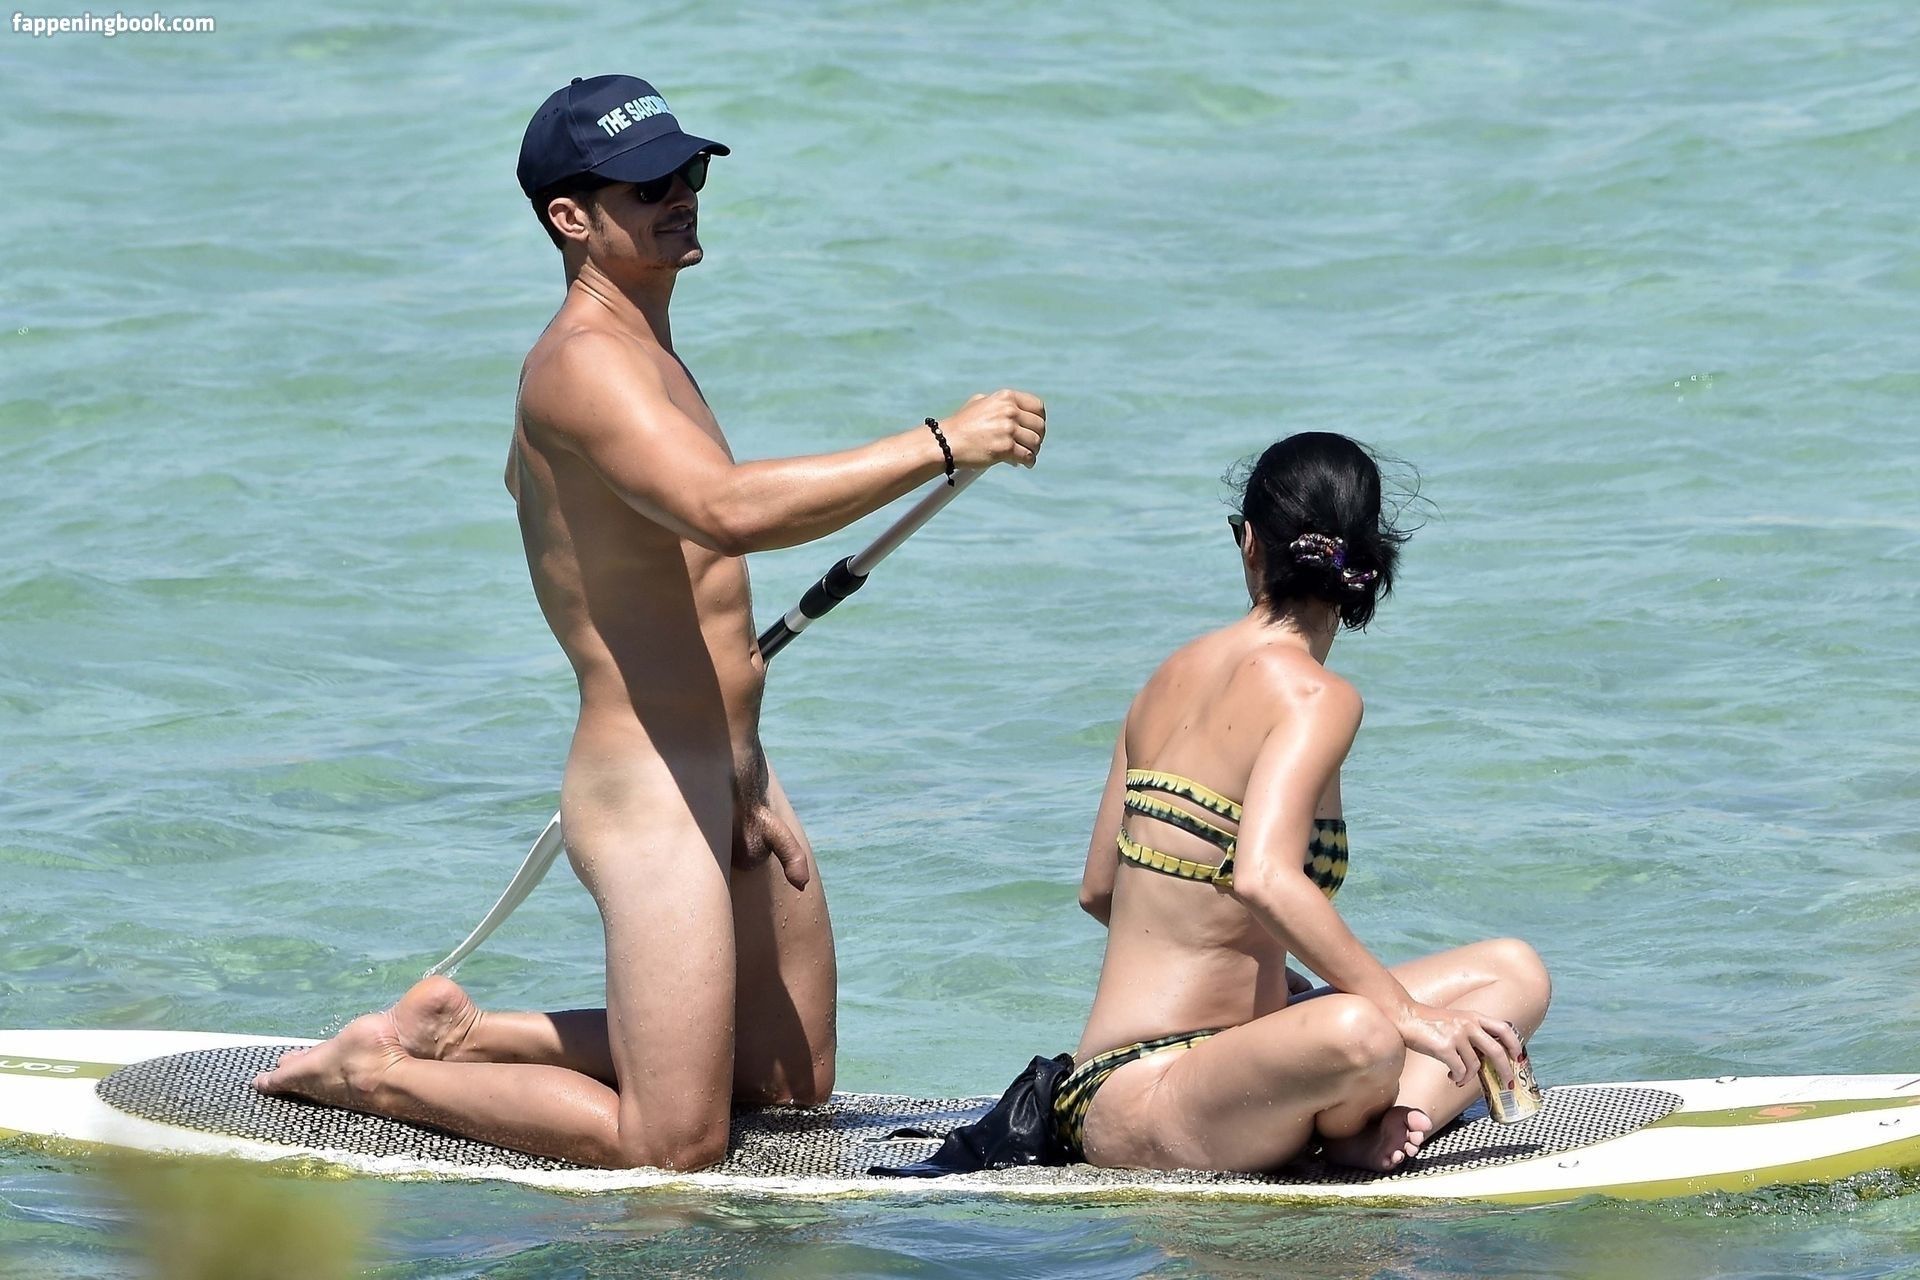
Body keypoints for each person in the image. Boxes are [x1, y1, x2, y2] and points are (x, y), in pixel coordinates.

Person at [254, 74, 1047, 1170]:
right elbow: (725, 509)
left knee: (790, 1086)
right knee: (672, 1144)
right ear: (569, 218)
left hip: (731, 760)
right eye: (646, 186)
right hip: (647, 784)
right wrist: (940, 443)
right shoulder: (582, 364)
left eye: (689, 172)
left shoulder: (648, 349)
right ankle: (378, 1073)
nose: (680, 195)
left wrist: (746, 760)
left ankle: (469, 1036)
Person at [1059, 432, 1548, 1174]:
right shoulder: (1316, 696)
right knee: (1364, 1028)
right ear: (1370, 558)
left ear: (1249, 542)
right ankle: (1362, 1120)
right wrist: (1406, 1012)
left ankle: (1384, 1119)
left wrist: (1244, 960)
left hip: (1173, 1072)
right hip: (1150, 1093)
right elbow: (1263, 877)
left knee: (1511, 971)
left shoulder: (1169, 675)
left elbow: (1100, 889)